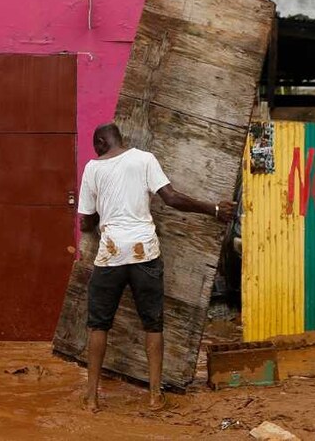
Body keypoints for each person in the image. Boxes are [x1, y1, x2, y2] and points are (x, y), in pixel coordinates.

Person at [77, 123, 235, 412]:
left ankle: (91, 398)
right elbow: (172, 199)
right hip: (145, 253)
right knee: (153, 323)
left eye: (96, 147)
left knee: (98, 324)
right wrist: (214, 210)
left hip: (110, 256)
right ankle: (154, 396)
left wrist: (94, 219)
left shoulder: (92, 169)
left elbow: (86, 221)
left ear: (100, 142)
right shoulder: (144, 159)